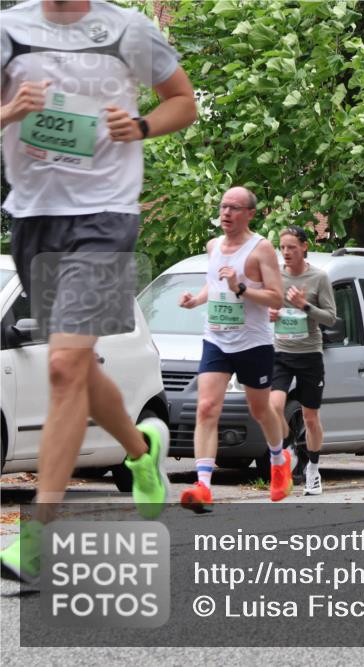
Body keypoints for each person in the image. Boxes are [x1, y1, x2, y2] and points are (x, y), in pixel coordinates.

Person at [0, 0, 197, 582]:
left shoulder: (128, 29)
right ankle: (141, 451)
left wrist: (138, 126)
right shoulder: (9, 29)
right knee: (79, 366)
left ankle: (37, 539)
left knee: (63, 367)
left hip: (106, 217)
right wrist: (12, 110)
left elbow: (182, 101)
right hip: (34, 219)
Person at [177, 187, 288, 512]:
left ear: (250, 214)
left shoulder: (261, 250)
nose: (226, 213)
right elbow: (214, 283)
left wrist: (241, 287)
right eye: (223, 207)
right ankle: (203, 486)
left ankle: (279, 460)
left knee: (260, 410)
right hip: (216, 338)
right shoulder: (213, 247)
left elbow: (276, 298)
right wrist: (196, 299)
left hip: (252, 342)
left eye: (234, 208)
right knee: (206, 407)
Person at [268, 226, 336, 495]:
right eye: (282, 247)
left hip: (309, 354)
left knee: (310, 417)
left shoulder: (319, 278)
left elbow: (330, 318)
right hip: (281, 351)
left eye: (292, 247)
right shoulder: (275, 277)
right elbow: (264, 307)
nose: (286, 253)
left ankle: (313, 469)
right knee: (273, 407)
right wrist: (270, 314)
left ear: (304, 247)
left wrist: (304, 306)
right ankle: (287, 451)